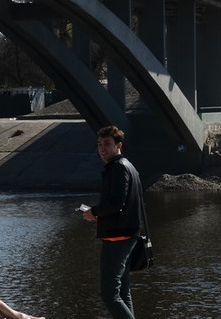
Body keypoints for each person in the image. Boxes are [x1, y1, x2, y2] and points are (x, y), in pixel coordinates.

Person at [81, 125, 146, 319]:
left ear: (119, 145)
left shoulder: (118, 168)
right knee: (122, 292)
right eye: (99, 144)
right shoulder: (128, 166)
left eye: (107, 144)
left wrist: (93, 212)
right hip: (127, 234)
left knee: (109, 294)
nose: (102, 148)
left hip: (117, 236)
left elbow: (116, 204)